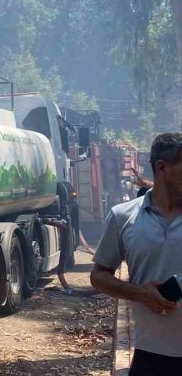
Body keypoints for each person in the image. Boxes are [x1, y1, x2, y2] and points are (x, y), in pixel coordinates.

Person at [90, 133, 182, 374]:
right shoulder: (123, 217)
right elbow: (99, 276)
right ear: (162, 167)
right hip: (151, 356)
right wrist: (140, 293)